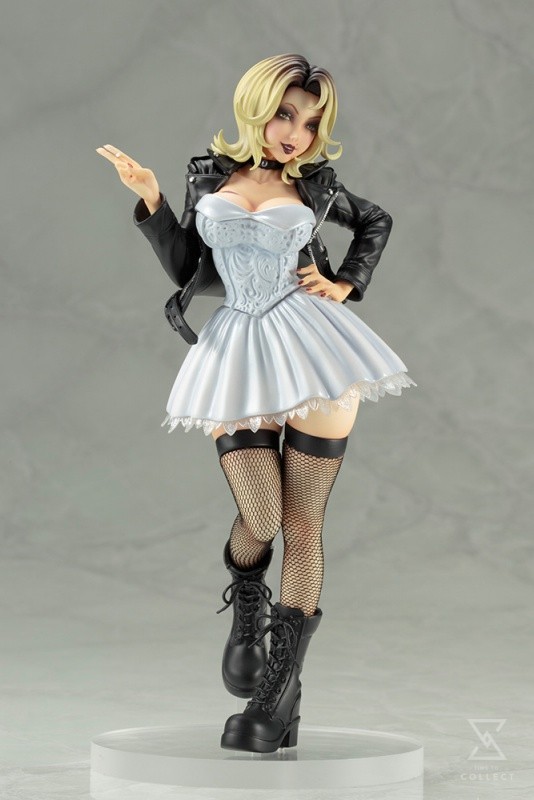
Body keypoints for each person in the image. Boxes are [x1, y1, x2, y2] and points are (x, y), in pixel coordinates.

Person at [96, 53, 416, 755]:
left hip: (315, 344)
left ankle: (278, 691)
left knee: (303, 523)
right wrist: (151, 200)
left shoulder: (317, 186)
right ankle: (249, 597)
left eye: (311, 123)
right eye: (285, 115)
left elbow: (376, 221)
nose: (296, 134)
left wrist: (346, 283)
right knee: (262, 514)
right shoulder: (208, 176)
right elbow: (187, 267)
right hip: (238, 346)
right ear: (256, 108)